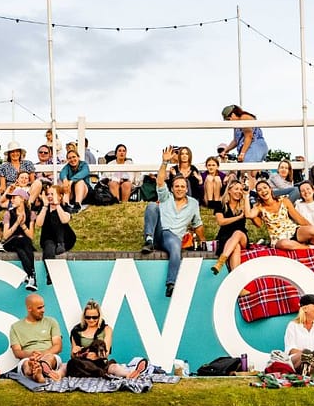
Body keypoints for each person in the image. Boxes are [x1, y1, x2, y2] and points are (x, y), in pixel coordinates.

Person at [140, 148, 206, 297]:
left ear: (186, 188)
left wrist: (203, 241)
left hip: (173, 236)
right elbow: (160, 181)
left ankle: (171, 284)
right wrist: (164, 162)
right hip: (159, 231)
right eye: (177, 186)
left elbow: (198, 224)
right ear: (172, 188)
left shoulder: (193, 204)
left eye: (182, 186)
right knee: (152, 206)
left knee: (176, 247)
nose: (180, 189)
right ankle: (148, 240)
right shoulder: (166, 197)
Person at [67, 299, 148, 379]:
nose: (91, 320)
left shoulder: (107, 329)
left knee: (114, 367)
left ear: (99, 316)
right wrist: (75, 352)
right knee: (69, 364)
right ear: (84, 317)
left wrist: (96, 355)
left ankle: (129, 374)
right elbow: (73, 356)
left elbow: (106, 352)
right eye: (88, 317)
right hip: (82, 363)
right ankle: (98, 373)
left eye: (94, 317)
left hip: (101, 362)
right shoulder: (76, 331)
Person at [9, 292, 64, 383]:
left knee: (49, 358)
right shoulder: (15, 327)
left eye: (43, 306)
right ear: (29, 309)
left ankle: (39, 371)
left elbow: (58, 346)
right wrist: (31, 356)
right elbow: (17, 352)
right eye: (39, 308)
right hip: (28, 358)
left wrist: (42, 354)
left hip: (49, 355)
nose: (43, 310)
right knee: (27, 364)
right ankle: (35, 371)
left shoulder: (51, 322)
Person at [251, 177, 314, 251]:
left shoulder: (283, 200)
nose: (263, 191)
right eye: (259, 190)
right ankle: (309, 248)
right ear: (258, 194)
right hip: (278, 239)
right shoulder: (259, 207)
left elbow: (299, 218)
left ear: (270, 189)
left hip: (292, 231)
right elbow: (258, 223)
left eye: (265, 188)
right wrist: (246, 196)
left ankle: (298, 245)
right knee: (284, 244)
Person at [33, 184, 76, 284]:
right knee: (48, 248)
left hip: (66, 239)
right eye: (48, 194)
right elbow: (39, 223)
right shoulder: (44, 208)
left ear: (60, 196)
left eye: (52, 194)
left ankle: (60, 243)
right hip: (48, 238)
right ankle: (50, 274)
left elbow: (65, 220)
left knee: (56, 216)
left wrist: (57, 206)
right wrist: (45, 206)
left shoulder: (65, 207)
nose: (49, 196)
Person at [209, 178, 253, 275]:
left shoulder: (244, 204)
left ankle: (220, 262)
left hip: (242, 236)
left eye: (241, 189)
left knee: (237, 233)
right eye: (236, 189)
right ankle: (237, 281)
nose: (239, 192)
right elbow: (221, 222)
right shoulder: (220, 205)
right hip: (225, 236)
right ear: (229, 190)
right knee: (235, 247)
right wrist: (238, 217)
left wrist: (246, 196)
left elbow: (252, 218)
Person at [283, 293, 314, 373]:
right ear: (305, 308)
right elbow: (290, 349)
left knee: (311, 358)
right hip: (298, 362)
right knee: (304, 355)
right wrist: (308, 355)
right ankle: (312, 364)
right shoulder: (292, 325)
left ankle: (313, 365)